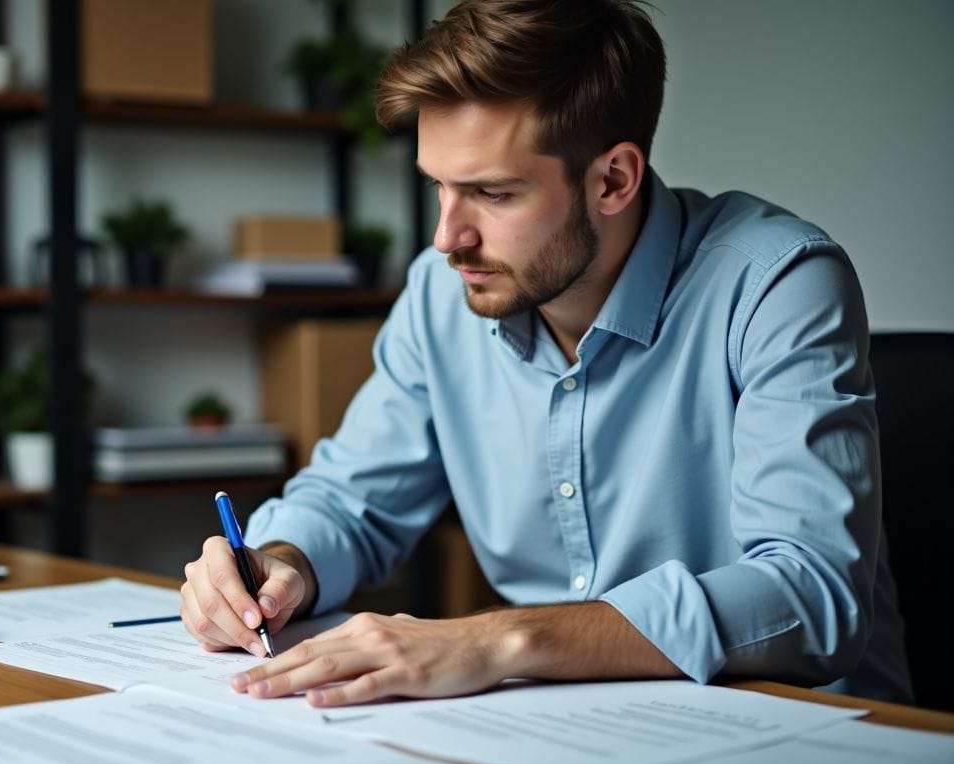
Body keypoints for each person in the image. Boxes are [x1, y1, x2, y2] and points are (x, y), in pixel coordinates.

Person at [180, 0, 913, 708]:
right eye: (439, 188)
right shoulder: (443, 298)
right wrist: (282, 566)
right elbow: (351, 502)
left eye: (492, 194)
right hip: (565, 728)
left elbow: (811, 594)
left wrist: (502, 639)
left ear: (612, 180)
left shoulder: (778, 283)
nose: (447, 237)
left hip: (800, 733)